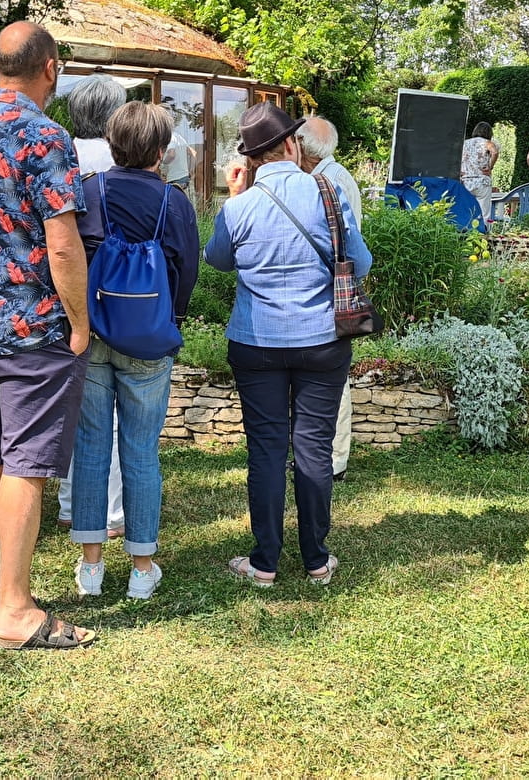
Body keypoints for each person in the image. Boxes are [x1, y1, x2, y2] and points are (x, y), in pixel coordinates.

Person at [0, 21, 96, 650]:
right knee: (25, 468)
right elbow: (63, 243)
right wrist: (79, 323)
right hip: (31, 329)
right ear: (50, 68)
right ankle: (17, 608)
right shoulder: (45, 136)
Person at [206, 103, 372, 589]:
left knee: (266, 450)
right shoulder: (329, 193)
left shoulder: (239, 206)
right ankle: (317, 559)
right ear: (293, 145)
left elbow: (217, 260)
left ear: (253, 159)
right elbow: (358, 264)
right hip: (323, 339)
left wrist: (234, 195)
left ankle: (264, 563)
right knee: (314, 448)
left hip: (256, 343)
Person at [71, 101, 200, 600]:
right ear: (163, 152)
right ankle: (143, 567)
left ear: (112, 144)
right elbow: (185, 272)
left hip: (94, 333)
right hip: (148, 339)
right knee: (141, 451)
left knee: (90, 448)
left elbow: (67, 258)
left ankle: (91, 567)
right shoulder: (175, 203)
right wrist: (173, 322)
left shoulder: (89, 192)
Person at [58, 73, 126, 536]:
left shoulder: (58, 159)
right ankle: (113, 510)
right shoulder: (124, 165)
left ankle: (68, 502)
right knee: (116, 412)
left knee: (69, 406)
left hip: (65, 296)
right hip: (118, 297)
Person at [295, 116, 361, 484]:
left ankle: (333, 459)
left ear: (303, 146)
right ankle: (324, 455)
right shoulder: (334, 176)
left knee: (334, 380)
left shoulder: (327, 181)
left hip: (330, 290)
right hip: (335, 286)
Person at [460, 122, 499, 221]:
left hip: (466, 182)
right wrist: (490, 167)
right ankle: (483, 233)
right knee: (484, 212)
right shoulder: (487, 143)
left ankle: (464, 233)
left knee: (466, 210)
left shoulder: (465, 143)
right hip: (482, 182)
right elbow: (495, 152)